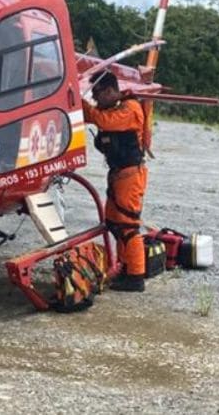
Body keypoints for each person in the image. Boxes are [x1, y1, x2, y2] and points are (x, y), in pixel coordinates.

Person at [83, 70, 148, 292]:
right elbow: (98, 118)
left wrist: (84, 106)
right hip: (118, 174)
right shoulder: (114, 107)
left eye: (97, 95)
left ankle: (136, 276)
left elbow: (105, 121)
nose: (95, 100)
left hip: (130, 175)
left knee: (128, 225)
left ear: (110, 91)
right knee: (113, 222)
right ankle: (125, 267)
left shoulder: (130, 109)